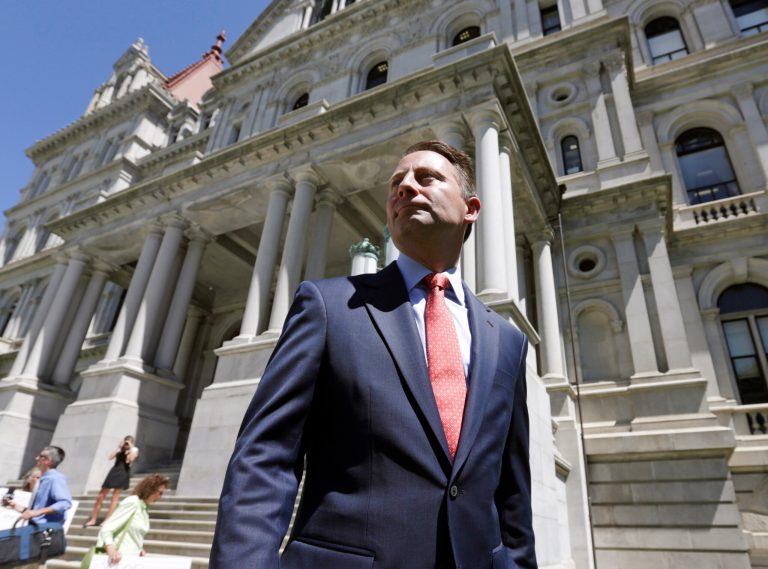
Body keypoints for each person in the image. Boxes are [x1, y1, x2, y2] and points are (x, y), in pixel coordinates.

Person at [210, 141, 536, 569]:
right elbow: (265, 457)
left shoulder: (506, 341)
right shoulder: (328, 307)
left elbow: (512, 492)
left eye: (427, 178)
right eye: (396, 183)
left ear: (470, 208)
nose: (405, 188)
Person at [95, 473, 170, 565]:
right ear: (150, 489)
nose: (160, 497)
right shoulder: (133, 502)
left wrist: (138, 548)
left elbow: (133, 533)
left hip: (131, 560)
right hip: (117, 560)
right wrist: (111, 551)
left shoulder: (144, 508)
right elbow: (107, 528)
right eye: (160, 493)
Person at [83, 435, 139, 527]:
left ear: (132, 443)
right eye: (126, 441)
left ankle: (107, 520)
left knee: (115, 497)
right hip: (114, 471)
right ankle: (93, 519)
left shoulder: (134, 450)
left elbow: (131, 460)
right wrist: (119, 447)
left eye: (129, 441)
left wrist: (130, 448)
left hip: (123, 472)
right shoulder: (120, 450)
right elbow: (110, 457)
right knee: (100, 496)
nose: (126, 443)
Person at [18, 446, 72, 525]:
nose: (36, 458)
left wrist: (37, 512)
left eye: (40, 456)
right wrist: (14, 506)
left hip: (45, 531)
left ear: (48, 460)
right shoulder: (43, 479)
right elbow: (35, 511)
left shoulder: (55, 479)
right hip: (34, 528)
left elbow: (65, 503)